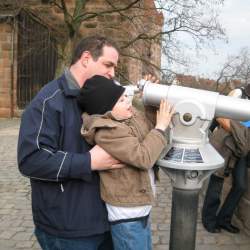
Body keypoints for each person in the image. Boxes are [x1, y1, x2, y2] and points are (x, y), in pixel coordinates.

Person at [17, 36, 127, 250]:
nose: (112, 73)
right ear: (86, 58)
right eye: (108, 65)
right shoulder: (48, 101)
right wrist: (88, 162)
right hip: (67, 229)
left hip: (107, 221)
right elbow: (31, 160)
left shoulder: (103, 98)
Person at [77, 75, 174, 250]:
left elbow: (147, 129)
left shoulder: (125, 117)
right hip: (127, 216)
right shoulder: (108, 131)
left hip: (140, 209)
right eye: (121, 100)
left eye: (126, 97)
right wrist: (161, 127)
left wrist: (151, 100)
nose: (128, 102)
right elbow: (143, 157)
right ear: (106, 110)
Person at [202, 88, 250, 234]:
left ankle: (224, 219)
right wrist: (238, 130)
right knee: (217, 182)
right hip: (226, 144)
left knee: (241, 186)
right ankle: (208, 220)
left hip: (243, 148)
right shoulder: (238, 93)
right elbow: (219, 116)